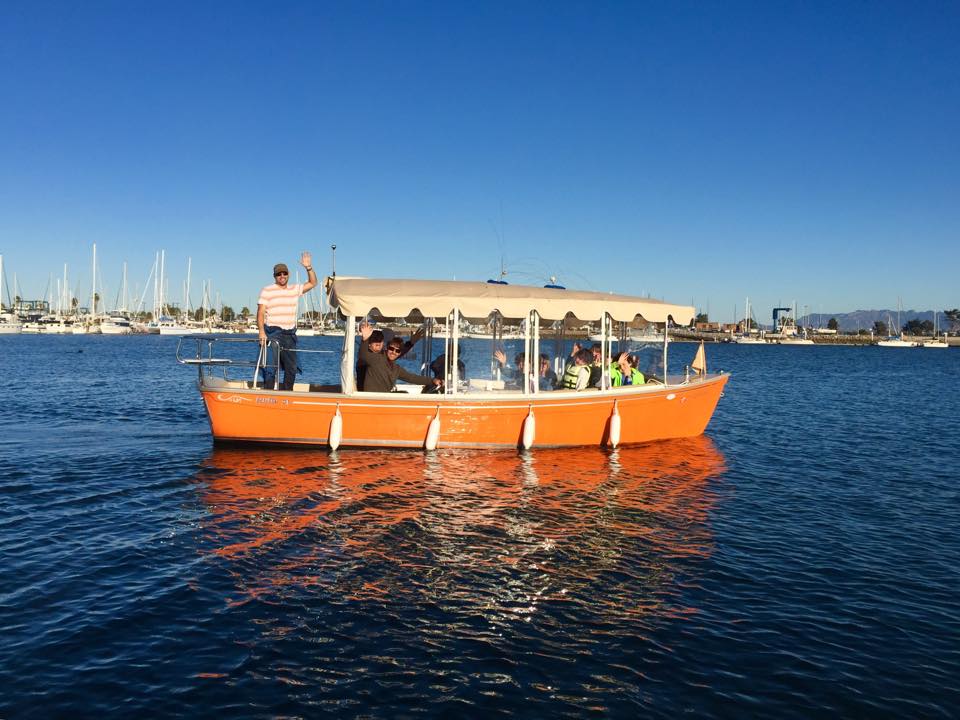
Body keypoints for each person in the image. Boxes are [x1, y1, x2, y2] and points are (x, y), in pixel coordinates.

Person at [257, 251, 318, 390]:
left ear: (288, 274)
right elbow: (260, 312)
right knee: (270, 367)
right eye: (279, 274)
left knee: (291, 368)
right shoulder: (267, 290)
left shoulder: (294, 289)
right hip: (273, 333)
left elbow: (313, 282)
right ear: (275, 276)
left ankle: (287, 393)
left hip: (290, 334)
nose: (282, 276)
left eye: (284, 273)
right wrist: (261, 332)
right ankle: (269, 393)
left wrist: (308, 267)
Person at [358, 321, 442, 392]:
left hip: (385, 398)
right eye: (391, 348)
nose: (393, 352)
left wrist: (432, 380)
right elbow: (363, 355)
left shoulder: (396, 368)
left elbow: (411, 377)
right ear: (387, 348)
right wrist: (365, 340)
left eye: (397, 351)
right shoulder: (376, 359)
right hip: (371, 399)